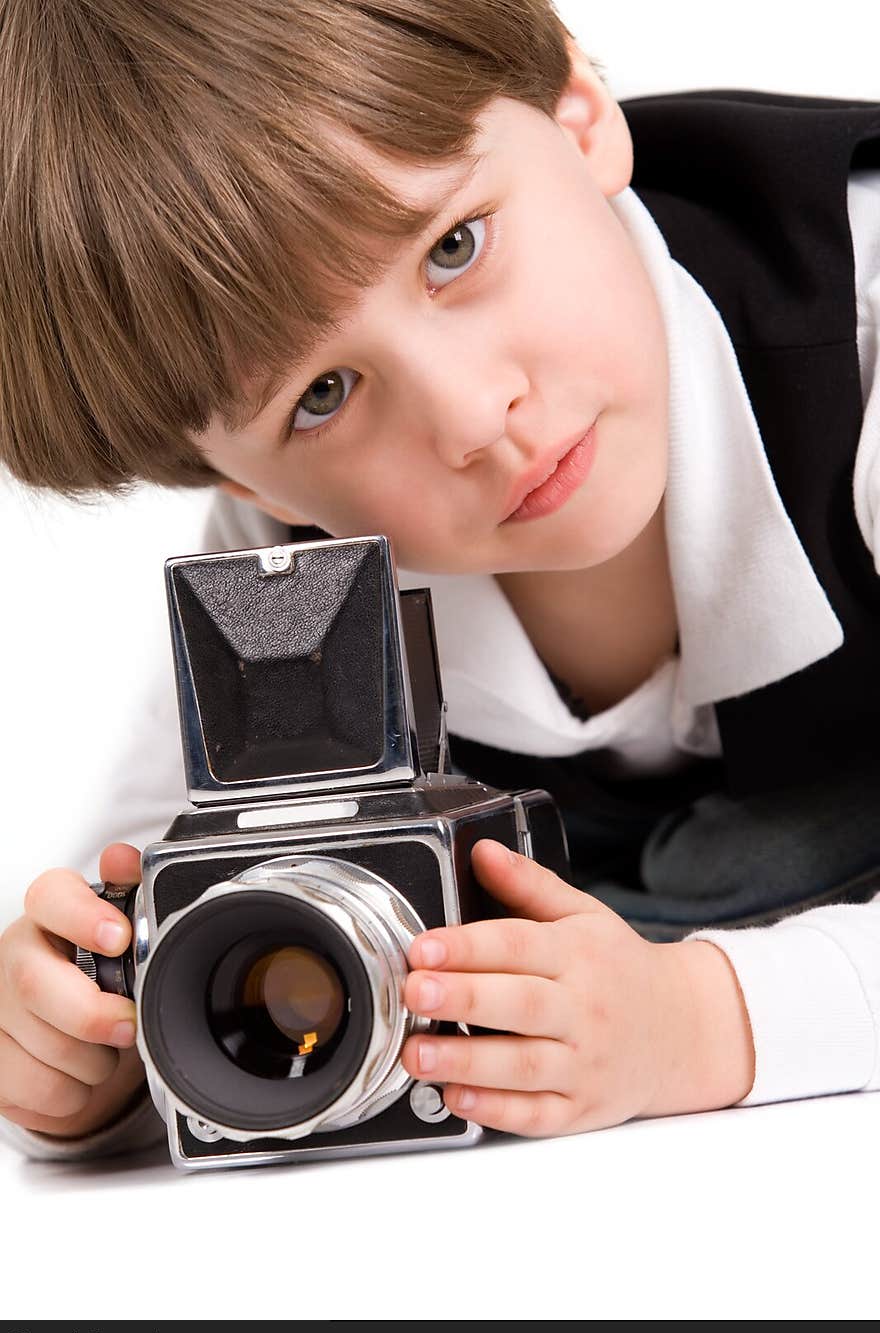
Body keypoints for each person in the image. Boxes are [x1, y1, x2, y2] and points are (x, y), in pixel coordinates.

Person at [1, 0, 879, 1162]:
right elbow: (166, 875)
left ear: (575, 115)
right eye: (322, 396)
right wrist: (100, 1033)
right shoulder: (287, 556)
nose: (471, 416)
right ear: (208, 460)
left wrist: (706, 1020)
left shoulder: (856, 331)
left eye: (454, 247)